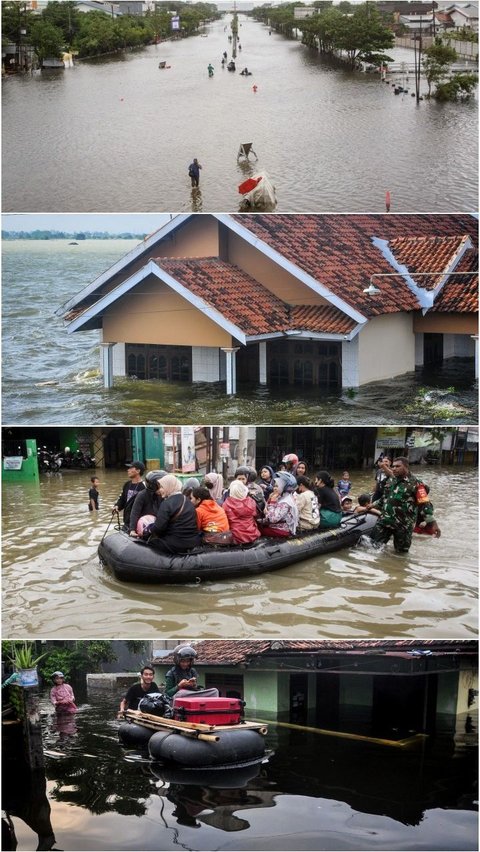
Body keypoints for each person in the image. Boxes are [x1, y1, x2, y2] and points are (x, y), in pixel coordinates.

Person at [368, 457, 438, 553]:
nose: (394, 468)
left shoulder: (416, 484)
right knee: (372, 548)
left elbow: (425, 504)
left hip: (403, 525)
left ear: (406, 467)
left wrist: (432, 523)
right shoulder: (391, 480)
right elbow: (385, 498)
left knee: (401, 554)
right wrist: (372, 505)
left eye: (398, 466)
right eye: (393, 466)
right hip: (385, 521)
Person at [148, 474, 200, 554]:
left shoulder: (166, 504)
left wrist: (148, 530)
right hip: (193, 542)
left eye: (162, 487)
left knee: (151, 543)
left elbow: (159, 528)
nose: (160, 490)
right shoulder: (188, 501)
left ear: (169, 487)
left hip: (175, 544)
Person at [129, 469, 167, 537]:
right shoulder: (142, 495)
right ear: (153, 486)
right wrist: (132, 529)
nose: (162, 489)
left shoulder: (165, 495)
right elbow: (135, 513)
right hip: (146, 525)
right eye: (160, 486)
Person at [223, 479, 262, 544]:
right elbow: (255, 514)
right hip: (252, 534)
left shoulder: (226, 504)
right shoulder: (251, 502)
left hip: (236, 537)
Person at [262, 471, 299, 538]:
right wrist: (270, 500)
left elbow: (272, 519)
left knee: (260, 530)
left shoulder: (285, 502)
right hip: (277, 526)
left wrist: (272, 503)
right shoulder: (281, 497)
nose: (274, 488)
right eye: (274, 486)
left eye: (277, 486)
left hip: (282, 529)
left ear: (283, 487)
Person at [113, 461, 146, 530]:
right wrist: (117, 506)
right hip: (127, 520)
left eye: (131, 468)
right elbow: (122, 499)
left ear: (138, 471)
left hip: (138, 522)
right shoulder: (127, 484)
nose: (128, 470)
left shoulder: (144, 487)